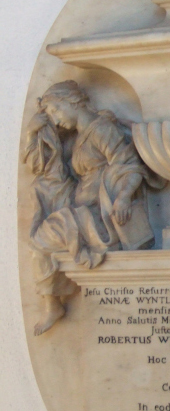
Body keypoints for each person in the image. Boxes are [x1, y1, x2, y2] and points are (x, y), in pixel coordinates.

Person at [24, 80, 162, 336]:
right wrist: (34, 133)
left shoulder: (101, 129)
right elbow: (44, 165)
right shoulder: (78, 136)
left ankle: (52, 303)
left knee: (40, 239)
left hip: (101, 217)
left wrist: (123, 197)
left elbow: (129, 164)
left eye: (56, 111)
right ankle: (51, 302)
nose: (55, 120)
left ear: (72, 102)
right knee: (43, 205)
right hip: (84, 210)